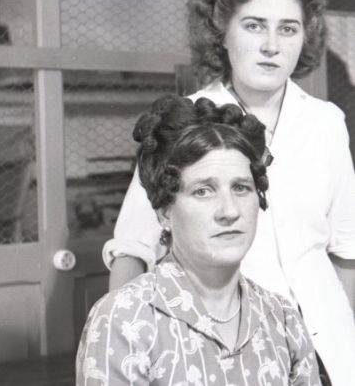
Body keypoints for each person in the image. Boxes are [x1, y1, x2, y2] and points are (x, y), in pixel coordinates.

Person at [102, 0, 355, 385]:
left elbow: (347, 248)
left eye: (288, 29)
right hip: (225, 347)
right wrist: (127, 345)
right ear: (221, 34)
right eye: (254, 26)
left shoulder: (326, 122)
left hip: (326, 347)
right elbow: (132, 249)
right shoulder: (186, 121)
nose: (272, 45)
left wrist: (337, 331)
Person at [77, 95, 321, 385]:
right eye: (203, 191)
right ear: (165, 211)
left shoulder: (283, 319)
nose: (229, 211)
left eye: (241, 188)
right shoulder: (124, 319)